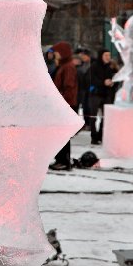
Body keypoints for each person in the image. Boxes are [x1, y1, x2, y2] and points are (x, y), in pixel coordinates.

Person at [48, 41, 78, 171]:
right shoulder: (64, 66)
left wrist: (61, 103)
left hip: (66, 105)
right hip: (62, 104)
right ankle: (60, 159)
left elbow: (68, 87)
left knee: (63, 134)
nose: (55, 56)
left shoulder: (68, 67)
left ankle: (64, 161)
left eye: (57, 53)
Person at [87, 49, 115, 145]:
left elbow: (113, 78)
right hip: (95, 94)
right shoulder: (94, 66)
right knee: (93, 117)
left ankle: (101, 136)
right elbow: (90, 79)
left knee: (106, 117)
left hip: (106, 94)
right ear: (101, 56)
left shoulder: (110, 67)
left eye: (109, 55)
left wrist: (112, 83)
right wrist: (103, 82)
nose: (108, 57)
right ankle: (94, 137)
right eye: (106, 55)